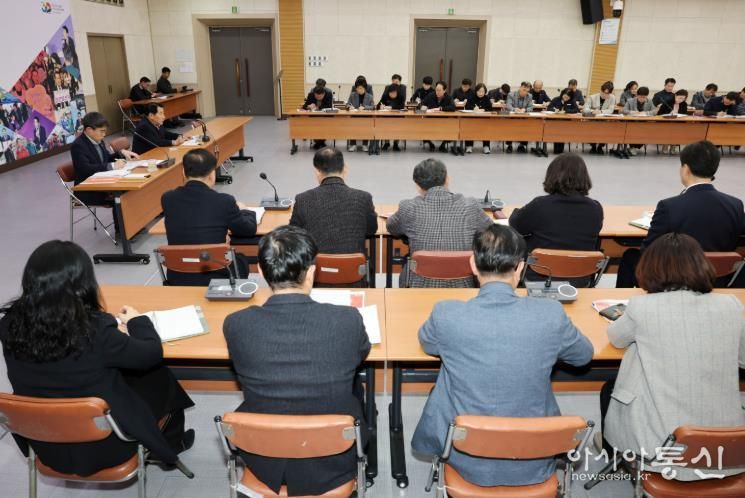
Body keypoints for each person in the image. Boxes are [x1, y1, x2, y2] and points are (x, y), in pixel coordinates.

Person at [411, 224, 593, 487]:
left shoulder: (446, 313)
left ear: (472, 265)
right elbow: (583, 356)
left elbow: (428, 344)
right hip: (535, 456)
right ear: (520, 268)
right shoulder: (550, 314)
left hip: (463, 455)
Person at [0, 240, 195, 477]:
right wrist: (137, 320)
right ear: (84, 284)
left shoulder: (8, 325)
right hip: (108, 445)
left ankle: (171, 443)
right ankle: (171, 444)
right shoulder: (94, 330)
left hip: (46, 444)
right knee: (157, 373)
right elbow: (152, 353)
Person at [223, 225, 370, 496]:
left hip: (264, 458)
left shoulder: (236, 324)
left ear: (260, 272)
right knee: (357, 390)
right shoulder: (347, 319)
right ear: (312, 272)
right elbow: (360, 353)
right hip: (333, 457)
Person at [601, 233, 745, 481]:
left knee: (616, 385)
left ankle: (616, 455)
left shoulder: (641, 306)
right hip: (725, 447)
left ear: (650, 268)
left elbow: (616, 338)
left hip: (660, 447)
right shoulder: (730, 305)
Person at [616, 140, 745, 287]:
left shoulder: (669, 207)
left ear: (686, 169)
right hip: (716, 278)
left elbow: (648, 251)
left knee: (630, 256)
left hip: (675, 280)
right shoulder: (735, 205)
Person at [387, 158, 492, 288]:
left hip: (418, 286)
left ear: (418, 186)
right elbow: (490, 229)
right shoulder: (470, 206)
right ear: (447, 179)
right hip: (463, 285)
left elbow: (391, 227)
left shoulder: (408, 207)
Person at [161, 149, 257, 285]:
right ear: (212, 174)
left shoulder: (167, 198)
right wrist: (245, 210)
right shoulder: (224, 201)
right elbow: (248, 229)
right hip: (218, 276)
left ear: (183, 172)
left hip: (178, 277)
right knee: (240, 258)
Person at [510, 153, 603, 286]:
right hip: (580, 281)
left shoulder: (540, 205)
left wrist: (516, 212)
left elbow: (516, 224)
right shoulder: (596, 209)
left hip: (539, 278)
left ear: (552, 176)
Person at [290, 146, 377, 258]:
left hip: (317, 267)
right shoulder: (364, 198)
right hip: (354, 268)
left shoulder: (302, 199)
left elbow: (293, 235)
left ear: (317, 171)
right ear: (345, 168)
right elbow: (371, 230)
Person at [70, 112, 139, 236]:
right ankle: (122, 233)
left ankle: (133, 226)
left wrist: (121, 153)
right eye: (101, 131)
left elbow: (106, 158)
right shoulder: (78, 146)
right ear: (89, 130)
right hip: (88, 190)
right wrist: (112, 166)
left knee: (132, 189)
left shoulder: (98, 140)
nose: (104, 134)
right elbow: (86, 169)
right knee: (121, 195)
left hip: (103, 182)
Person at [419, 81, 456, 152]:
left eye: (439, 90)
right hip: (430, 120)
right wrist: (422, 107)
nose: (437, 92)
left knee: (452, 127)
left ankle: (443, 145)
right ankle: (430, 143)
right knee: (423, 126)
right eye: (436, 90)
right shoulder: (431, 95)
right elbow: (421, 104)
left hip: (444, 121)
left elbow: (453, 107)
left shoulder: (448, 97)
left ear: (444, 90)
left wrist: (440, 108)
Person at [547, 88, 580, 154]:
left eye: (567, 97)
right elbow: (549, 108)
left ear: (570, 97)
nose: (565, 99)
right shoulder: (556, 99)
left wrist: (566, 111)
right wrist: (554, 110)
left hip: (566, 123)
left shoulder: (572, 101)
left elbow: (576, 110)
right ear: (562, 94)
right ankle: (556, 149)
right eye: (564, 97)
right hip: (555, 122)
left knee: (562, 131)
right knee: (557, 131)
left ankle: (560, 149)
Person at [587, 81, 616, 154]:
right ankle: (593, 146)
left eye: (607, 94)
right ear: (601, 90)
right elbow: (585, 109)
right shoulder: (592, 97)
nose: (605, 95)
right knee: (591, 128)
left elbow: (611, 110)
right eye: (604, 93)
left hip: (605, 121)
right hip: (593, 120)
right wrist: (592, 111)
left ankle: (600, 146)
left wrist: (601, 111)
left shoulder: (612, 98)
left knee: (607, 129)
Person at [505, 82, 534, 153]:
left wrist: (525, 110)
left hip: (523, 118)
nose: (525, 93)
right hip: (512, 118)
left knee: (527, 125)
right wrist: (514, 109)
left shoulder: (529, 96)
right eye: (524, 90)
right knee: (510, 125)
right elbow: (508, 105)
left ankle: (522, 145)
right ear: (520, 87)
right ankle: (509, 145)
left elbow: (531, 107)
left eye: (527, 91)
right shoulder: (511, 94)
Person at [464, 83, 492, 154]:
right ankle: (469, 146)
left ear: (485, 92)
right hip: (472, 119)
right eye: (479, 91)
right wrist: (473, 109)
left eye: (482, 91)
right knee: (469, 128)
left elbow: (490, 108)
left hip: (484, 120)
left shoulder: (486, 98)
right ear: (476, 91)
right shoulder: (471, 97)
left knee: (486, 129)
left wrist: (484, 110)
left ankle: (486, 146)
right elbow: (467, 107)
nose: (481, 93)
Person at [302, 85, 333, 149]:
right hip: (314, 117)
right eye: (316, 96)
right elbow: (304, 106)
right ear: (314, 94)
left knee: (324, 125)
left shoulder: (328, 94)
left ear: (324, 94)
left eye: (320, 96)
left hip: (325, 117)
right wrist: (308, 106)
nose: (318, 98)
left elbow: (329, 106)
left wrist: (317, 107)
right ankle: (319, 142)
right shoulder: (311, 95)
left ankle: (320, 142)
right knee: (314, 125)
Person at [346, 81, 374, 152]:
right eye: (358, 88)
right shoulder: (352, 95)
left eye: (361, 88)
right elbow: (347, 104)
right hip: (354, 116)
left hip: (365, 117)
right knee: (352, 127)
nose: (359, 90)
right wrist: (349, 107)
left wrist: (364, 107)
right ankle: (353, 144)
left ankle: (365, 145)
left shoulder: (369, 96)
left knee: (366, 128)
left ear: (365, 88)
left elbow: (373, 107)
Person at [377, 83, 405, 151]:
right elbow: (378, 106)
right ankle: (387, 143)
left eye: (394, 93)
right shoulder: (385, 96)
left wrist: (391, 107)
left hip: (398, 117)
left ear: (397, 92)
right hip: (387, 117)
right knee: (385, 126)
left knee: (398, 128)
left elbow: (402, 106)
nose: (392, 94)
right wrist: (380, 106)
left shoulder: (401, 97)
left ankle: (396, 144)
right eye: (391, 93)